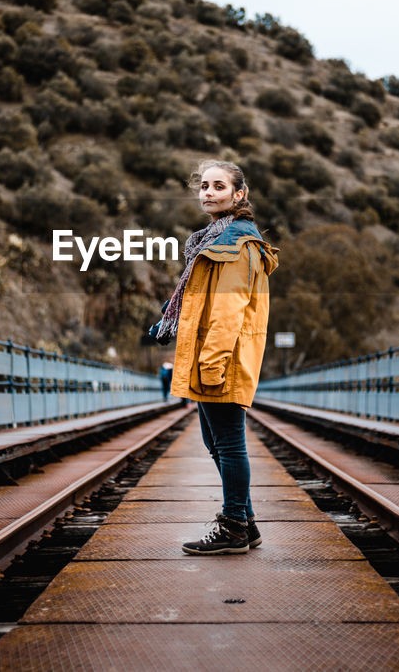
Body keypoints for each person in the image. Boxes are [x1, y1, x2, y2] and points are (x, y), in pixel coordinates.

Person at [152, 160, 278, 554]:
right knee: (217, 440)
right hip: (212, 353)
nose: (208, 192)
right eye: (204, 185)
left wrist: (211, 364)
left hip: (221, 357)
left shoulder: (235, 246)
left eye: (218, 186)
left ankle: (234, 527)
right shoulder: (212, 241)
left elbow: (228, 312)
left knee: (228, 442)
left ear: (238, 194)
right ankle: (246, 522)